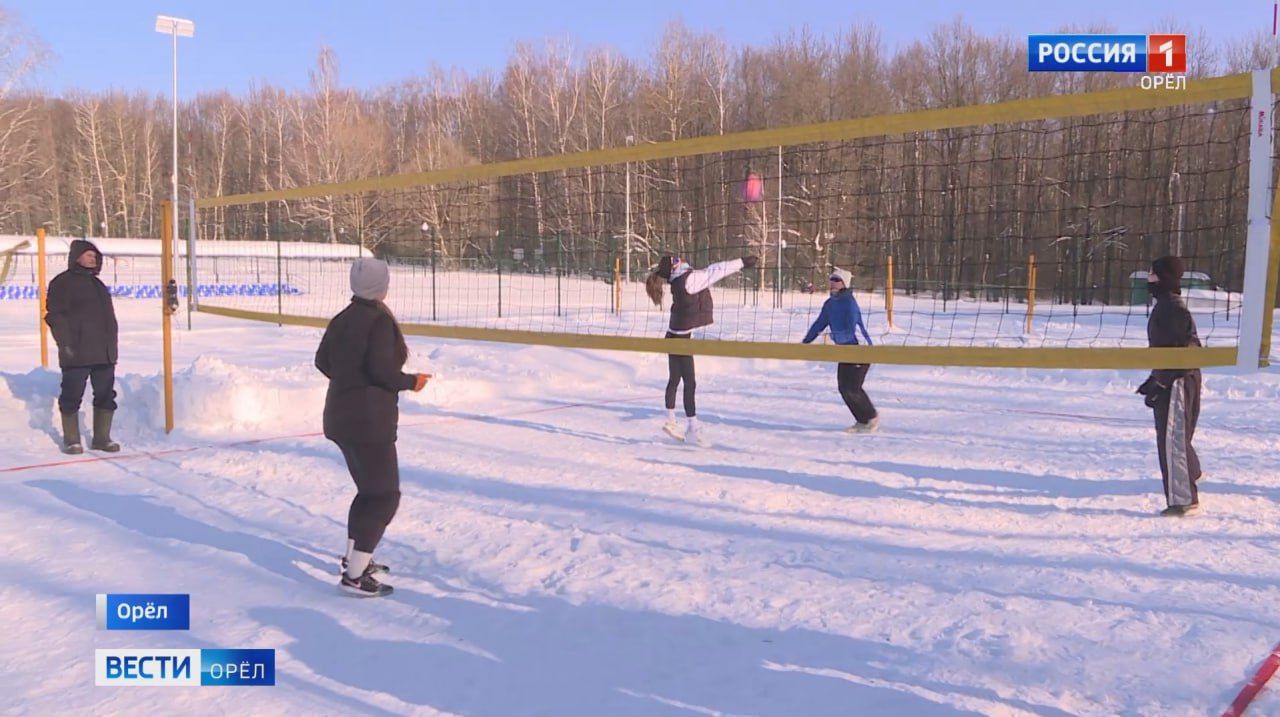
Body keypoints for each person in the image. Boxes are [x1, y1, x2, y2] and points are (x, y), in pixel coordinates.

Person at [315, 258, 430, 597]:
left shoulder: (343, 317)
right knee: (384, 497)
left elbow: (323, 362)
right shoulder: (377, 321)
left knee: (368, 492)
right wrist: (412, 382)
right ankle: (354, 577)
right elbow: (382, 372)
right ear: (381, 286)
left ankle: (355, 560)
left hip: (341, 417)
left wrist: (350, 378)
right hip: (368, 422)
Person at [645, 253, 757, 447]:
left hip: (673, 334)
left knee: (675, 379)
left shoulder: (679, 280)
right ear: (675, 265)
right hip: (681, 338)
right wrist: (741, 262)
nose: (682, 259)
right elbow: (716, 271)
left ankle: (671, 420)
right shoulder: (689, 279)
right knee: (690, 382)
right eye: (677, 259)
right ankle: (693, 426)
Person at [1135, 255, 1203, 516]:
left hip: (1179, 380)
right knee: (1175, 435)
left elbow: (1185, 353)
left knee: (1172, 438)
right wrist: (1155, 380)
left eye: (1152, 273)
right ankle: (1192, 472)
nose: (1148, 278)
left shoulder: (1171, 309)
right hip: (1177, 378)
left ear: (1163, 277)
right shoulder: (1166, 306)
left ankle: (1184, 499)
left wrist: (1162, 381)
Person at [45, 239, 120, 454]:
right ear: (76, 257)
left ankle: (102, 439)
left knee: (106, 395)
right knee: (72, 395)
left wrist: (111, 348)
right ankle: (72, 440)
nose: (93, 259)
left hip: (104, 353)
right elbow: (55, 316)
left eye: (95, 255)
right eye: (88, 255)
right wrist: (65, 344)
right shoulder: (62, 283)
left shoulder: (98, 285)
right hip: (77, 351)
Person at [801, 268, 879, 432]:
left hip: (860, 349)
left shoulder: (849, 303)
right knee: (843, 388)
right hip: (844, 350)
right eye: (832, 279)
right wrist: (805, 342)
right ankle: (862, 421)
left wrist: (834, 336)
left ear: (845, 284)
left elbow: (851, 329)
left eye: (837, 280)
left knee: (853, 388)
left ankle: (871, 417)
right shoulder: (830, 304)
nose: (833, 282)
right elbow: (819, 324)